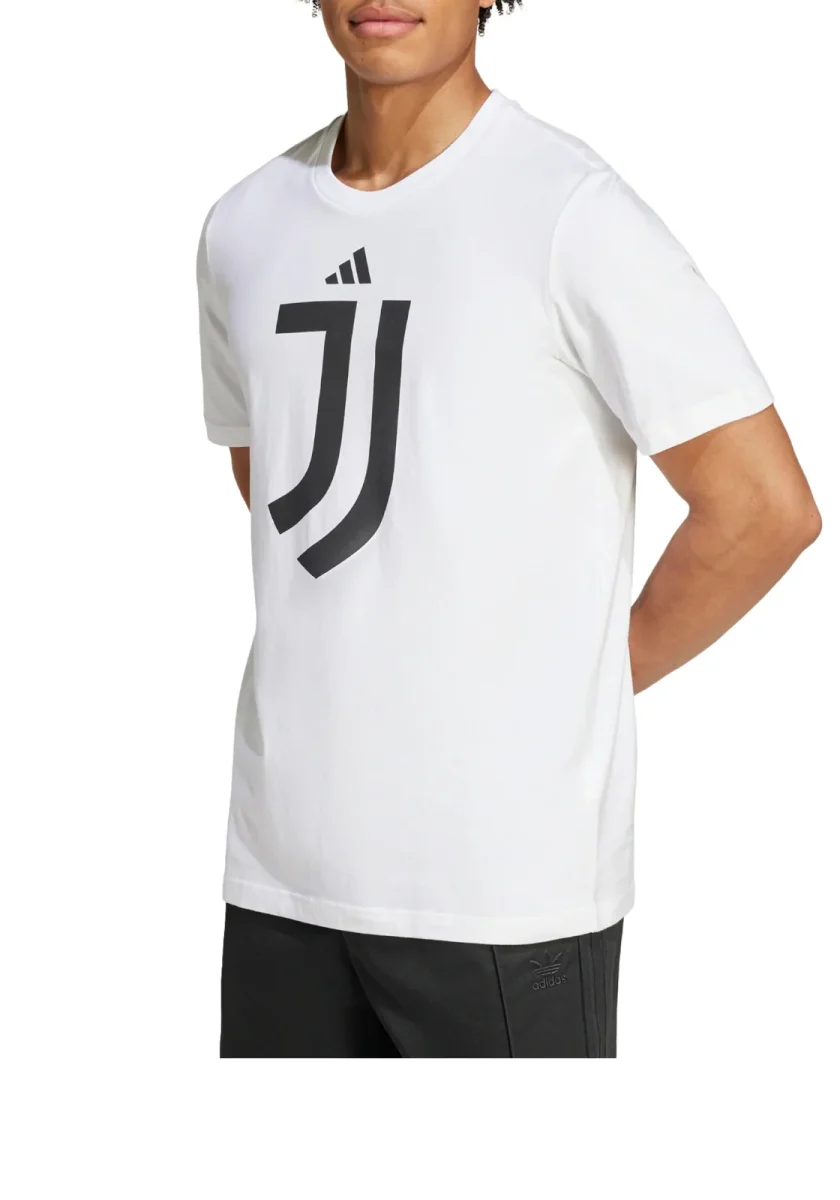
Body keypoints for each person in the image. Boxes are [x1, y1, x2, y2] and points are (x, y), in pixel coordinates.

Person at [197, 0, 821, 1057]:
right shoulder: (243, 226)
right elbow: (275, 480)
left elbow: (764, 507)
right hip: (282, 871)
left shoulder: (569, 212)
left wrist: (580, 676)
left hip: (502, 886)